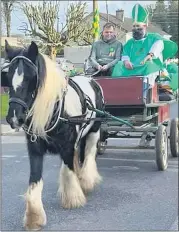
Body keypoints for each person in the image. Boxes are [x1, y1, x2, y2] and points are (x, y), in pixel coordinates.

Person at [112, 3, 178, 86]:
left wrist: (150, 55)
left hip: (147, 64)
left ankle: (144, 92)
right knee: (119, 65)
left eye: (138, 26)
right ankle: (116, 90)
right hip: (132, 66)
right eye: (134, 26)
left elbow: (159, 44)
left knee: (149, 65)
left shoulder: (154, 37)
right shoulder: (130, 42)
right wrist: (126, 61)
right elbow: (125, 53)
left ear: (145, 26)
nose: (136, 28)